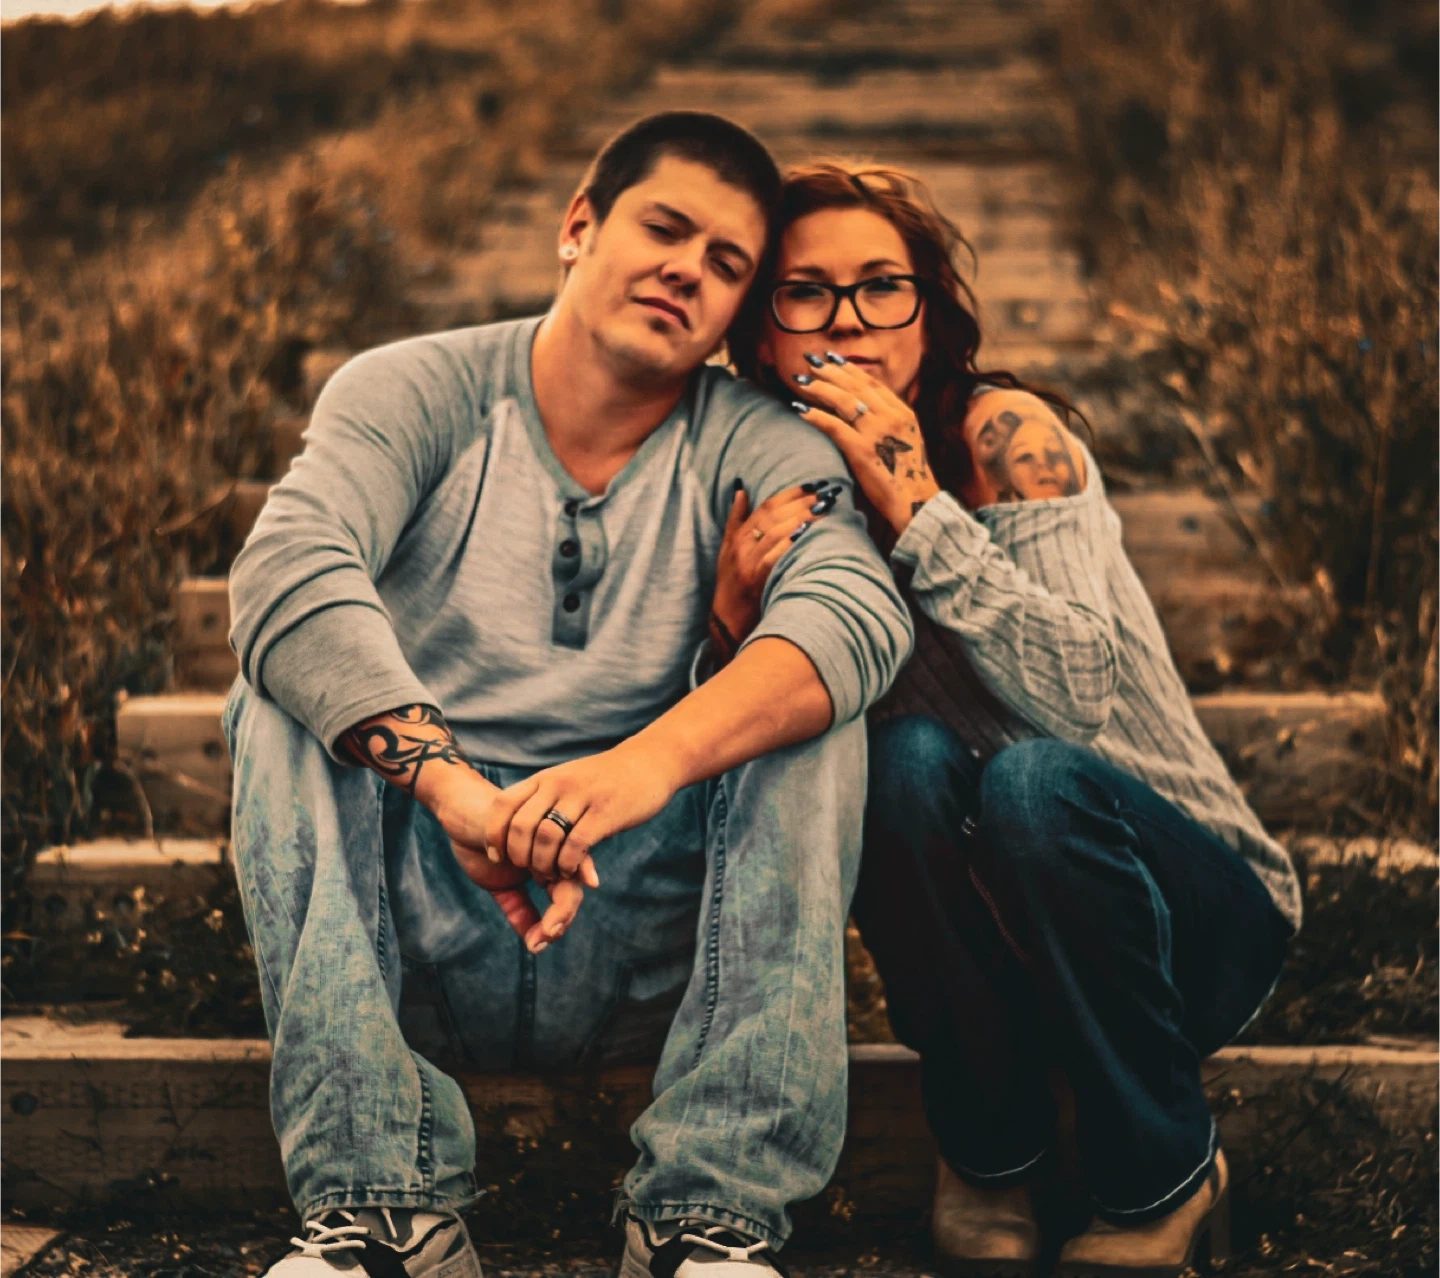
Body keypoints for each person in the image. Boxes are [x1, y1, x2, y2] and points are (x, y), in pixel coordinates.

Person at [223, 114, 913, 1278]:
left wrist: (645, 766)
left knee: (808, 707)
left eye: (727, 263)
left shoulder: (761, 445)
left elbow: (857, 611)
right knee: (281, 696)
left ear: (735, 312)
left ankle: (708, 1217)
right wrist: (452, 789)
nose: (688, 269)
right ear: (579, 226)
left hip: (651, 938)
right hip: (418, 922)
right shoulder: (414, 389)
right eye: (665, 228)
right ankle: (381, 1210)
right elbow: (290, 564)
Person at [720, 162, 1301, 1278]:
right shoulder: (757, 476)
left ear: (927, 309)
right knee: (899, 761)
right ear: (759, 331)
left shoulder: (1005, 439)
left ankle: (1166, 1175)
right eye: (805, 292)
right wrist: (730, 628)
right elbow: (754, 782)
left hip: (1182, 917)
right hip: (996, 961)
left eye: (881, 285)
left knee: (1030, 781)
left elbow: (1080, 696)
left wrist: (917, 508)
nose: (848, 319)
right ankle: (992, 1152)